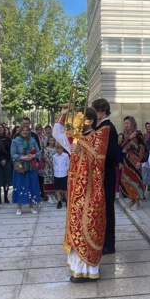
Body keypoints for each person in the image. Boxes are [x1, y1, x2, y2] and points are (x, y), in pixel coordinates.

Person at [53, 106, 109, 283]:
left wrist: (81, 149)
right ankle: (78, 269)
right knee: (76, 229)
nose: (74, 121)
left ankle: (90, 271)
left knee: (89, 229)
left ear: (89, 121)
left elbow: (98, 160)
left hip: (91, 193)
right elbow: (57, 133)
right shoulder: (76, 139)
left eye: (78, 118)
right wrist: (62, 114)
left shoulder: (99, 136)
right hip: (76, 194)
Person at [92, 98, 118, 255]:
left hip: (106, 173)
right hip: (102, 173)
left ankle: (109, 244)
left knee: (107, 208)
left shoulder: (108, 128)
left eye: (95, 111)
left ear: (102, 111)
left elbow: (110, 153)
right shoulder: (102, 126)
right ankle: (104, 241)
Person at [11, 125, 41, 215]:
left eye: (26, 130)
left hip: (31, 166)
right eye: (23, 130)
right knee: (19, 186)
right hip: (20, 167)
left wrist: (33, 156)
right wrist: (23, 157)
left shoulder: (32, 140)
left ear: (29, 131)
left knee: (32, 186)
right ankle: (19, 207)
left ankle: (31, 206)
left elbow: (38, 152)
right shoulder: (15, 141)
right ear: (20, 131)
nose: (25, 132)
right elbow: (13, 154)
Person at [120, 116, 146, 210]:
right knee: (127, 180)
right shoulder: (126, 134)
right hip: (127, 160)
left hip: (135, 160)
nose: (126, 125)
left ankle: (137, 201)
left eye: (128, 123)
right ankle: (132, 199)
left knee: (136, 180)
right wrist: (128, 138)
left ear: (132, 123)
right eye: (125, 123)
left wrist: (139, 160)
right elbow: (121, 146)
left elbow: (142, 147)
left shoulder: (138, 133)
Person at [0, 123, 12, 204]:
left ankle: (5, 196)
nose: (0, 129)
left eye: (1, 127)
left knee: (6, 180)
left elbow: (10, 151)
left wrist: (6, 160)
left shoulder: (9, 140)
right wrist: (0, 160)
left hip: (7, 161)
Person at [53, 143, 69, 209]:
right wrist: (55, 169)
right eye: (57, 149)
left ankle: (66, 200)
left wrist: (66, 170)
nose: (58, 150)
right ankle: (59, 201)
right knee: (57, 188)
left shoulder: (65, 155)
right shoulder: (54, 156)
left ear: (62, 149)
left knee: (65, 189)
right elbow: (54, 164)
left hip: (64, 174)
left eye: (59, 149)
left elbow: (68, 164)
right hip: (56, 174)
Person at [43, 136, 57, 204]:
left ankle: (54, 196)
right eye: (51, 140)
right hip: (48, 168)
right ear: (48, 141)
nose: (52, 142)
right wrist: (52, 166)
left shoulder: (56, 149)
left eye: (53, 140)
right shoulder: (46, 149)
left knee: (54, 181)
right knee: (49, 181)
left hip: (56, 168)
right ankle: (49, 197)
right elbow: (46, 159)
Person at [115, 133, 125, 199]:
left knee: (123, 179)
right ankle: (117, 192)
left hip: (123, 165)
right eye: (118, 137)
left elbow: (124, 156)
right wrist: (119, 163)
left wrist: (122, 163)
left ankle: (123, 192)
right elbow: (116, 156)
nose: (119, 139)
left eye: (120, 138)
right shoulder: (115, 146)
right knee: (117, 179)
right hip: (117, 165)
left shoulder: (124, 147)